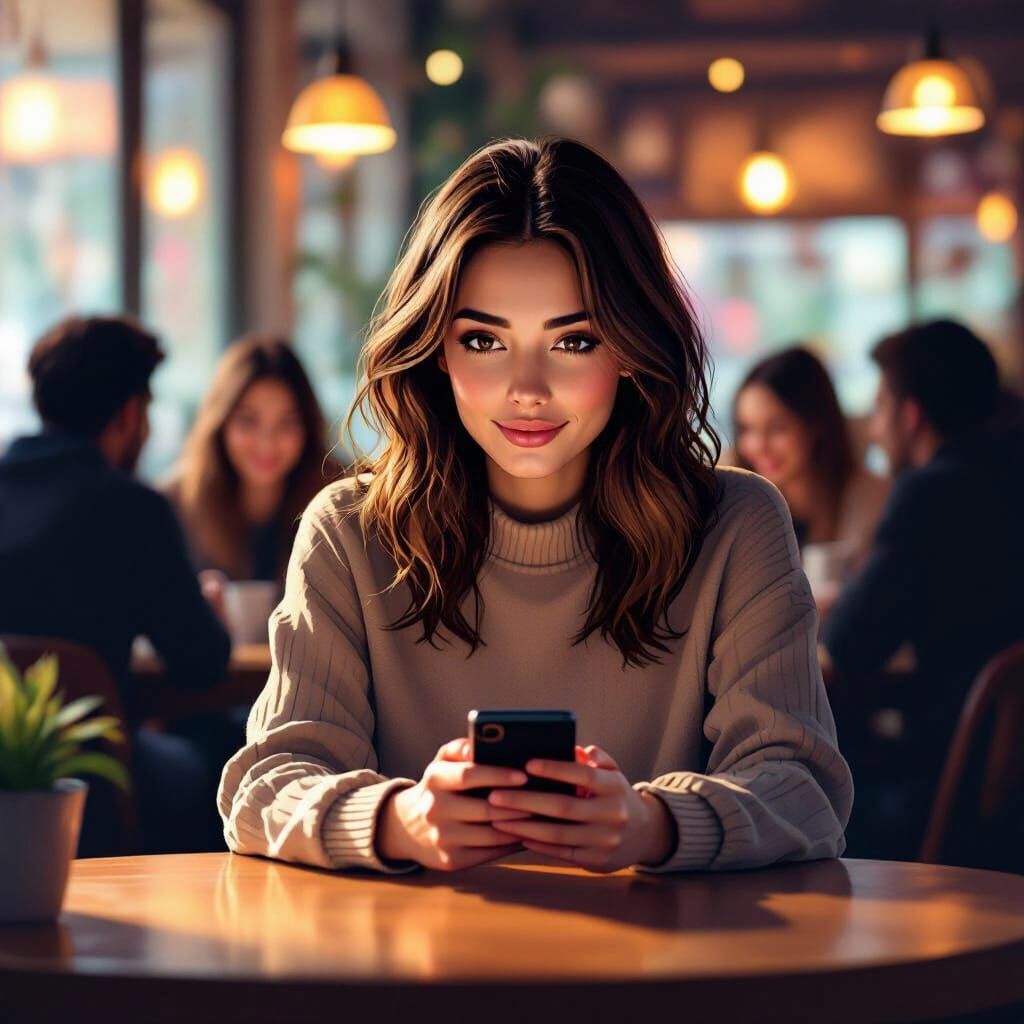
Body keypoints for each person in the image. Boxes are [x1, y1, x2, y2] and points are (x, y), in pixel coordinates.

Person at [218, 137, 853, 876]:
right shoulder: (347, 531)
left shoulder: (738, 523)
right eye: (484, 340)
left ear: (630, 346)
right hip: (409, 974)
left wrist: (654, 826)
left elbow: (805, 788)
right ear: (435, 350)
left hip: (665, 976)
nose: (527, 389)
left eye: (574, 340)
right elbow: (263, 786)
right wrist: (402, 820)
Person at [0, 315, 233, 854]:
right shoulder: (131, 509)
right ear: (130, 414)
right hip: (97, 782)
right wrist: (210, 610)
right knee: (223, 745)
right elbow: (202, 663)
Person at [821, 319, 1024, 860]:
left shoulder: (930, 497)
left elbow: (844, 650)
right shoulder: (1007, 473)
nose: (874, 428)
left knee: (812, 791)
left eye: (881, 406)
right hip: (1006, 798)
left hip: (958, 803)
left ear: (910, 416)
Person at [163, 337, 342, 585]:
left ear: (308, 427)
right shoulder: (174, 503)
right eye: (248, 421)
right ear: (220, 423)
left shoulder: (343, 500)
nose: (266, 444)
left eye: (286, 423)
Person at [731, 347, 889, 562]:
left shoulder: (874, 503)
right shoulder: (734, 506)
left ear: (815, 423)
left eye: (777, 428)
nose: (759, 446)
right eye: (747, 429)